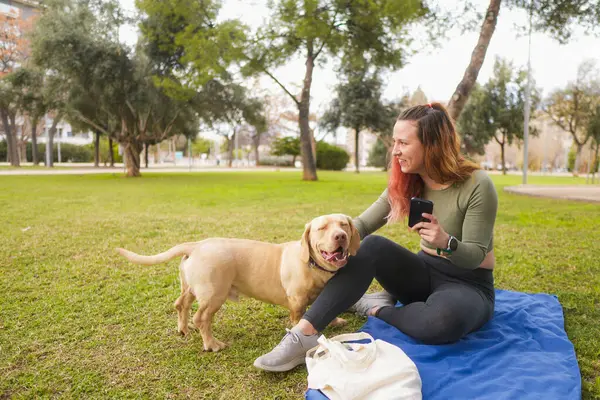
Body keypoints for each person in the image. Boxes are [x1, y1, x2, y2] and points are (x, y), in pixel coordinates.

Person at [254, 102, 498, 372]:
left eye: (403, 143)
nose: (395, 151)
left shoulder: (477, 184)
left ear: (432, 144)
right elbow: (360, 227)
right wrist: (318, 242)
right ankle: (303, 334)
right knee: (371, 246)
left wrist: (446, 242)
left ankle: (376, 308)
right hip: (423, 272)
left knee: (441, 323)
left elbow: (475, 255)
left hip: (468, 282)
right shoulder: (409, 180)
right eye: (394, 142)